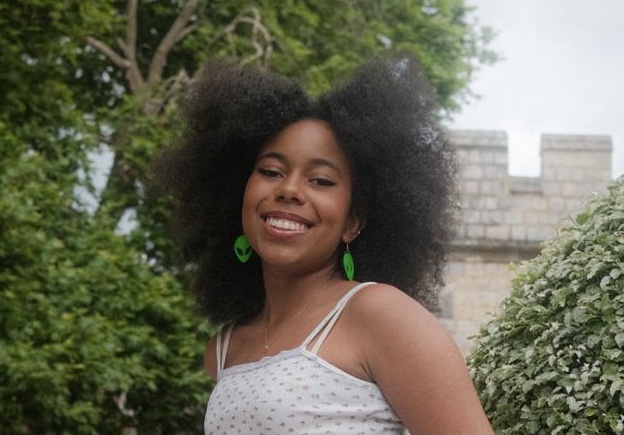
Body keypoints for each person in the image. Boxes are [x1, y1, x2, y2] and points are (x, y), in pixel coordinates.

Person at [154, 52, 494, 434]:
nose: (289, 189)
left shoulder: (381, 316)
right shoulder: (223, 349)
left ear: (352, 222)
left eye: (321, 180)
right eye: (271, 171)